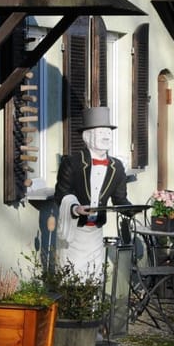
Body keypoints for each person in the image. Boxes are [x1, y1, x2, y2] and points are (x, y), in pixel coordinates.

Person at [54, 107, 131, 279]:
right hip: (74, 233)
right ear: (87, 137)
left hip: (96, 233)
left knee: (94, 276)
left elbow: (120, 198)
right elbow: (61, 194)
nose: (106, 136)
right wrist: (75, 208)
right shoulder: (72, 163)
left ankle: (93, 307)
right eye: (101, 132)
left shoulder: (116, 167)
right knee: (71, 276)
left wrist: (132, 210)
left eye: (109, 132)